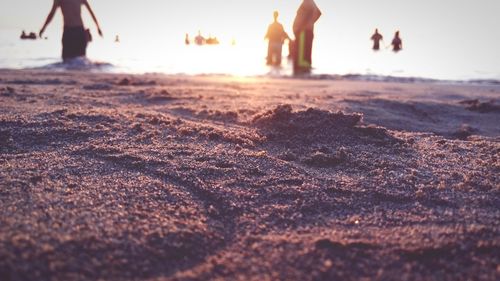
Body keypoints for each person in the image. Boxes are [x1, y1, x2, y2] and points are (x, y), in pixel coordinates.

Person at [292, 0, 322, 75]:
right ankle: (305, 71)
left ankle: (302, 71)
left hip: (304, 32)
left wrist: (303, 26)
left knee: (302, 52)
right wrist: (310, 23)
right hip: (306, 31)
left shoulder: (308, 2)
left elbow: (316, 13)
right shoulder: (310, 2)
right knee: (305, 51)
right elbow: (318, 13)